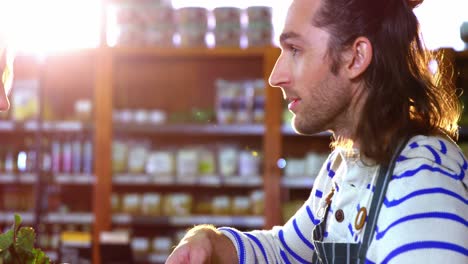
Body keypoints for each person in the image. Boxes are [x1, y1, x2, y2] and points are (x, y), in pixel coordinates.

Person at [166, 0, 468, 263]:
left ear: (355, 57)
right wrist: (209, 242)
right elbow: (286, 252)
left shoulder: (420, 179)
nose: (276, 77)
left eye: (295, 49)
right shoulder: (343, 165)